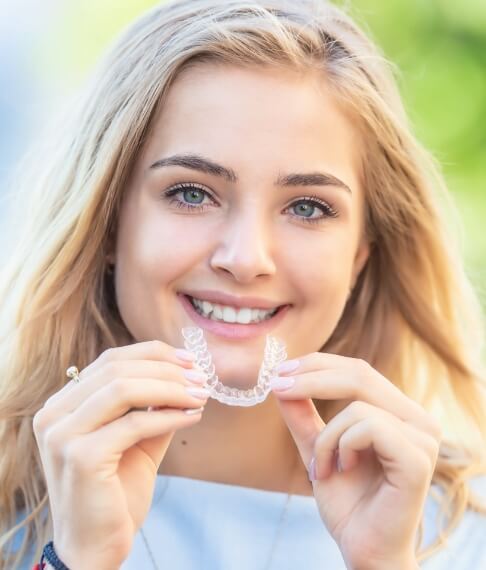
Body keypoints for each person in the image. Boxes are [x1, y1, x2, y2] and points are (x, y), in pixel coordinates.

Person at [1, 0, 485, 568]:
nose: (246, 258)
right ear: (106, 225)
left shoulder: (463, 538)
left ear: (360, 256)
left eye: (307, 207)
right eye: (191, 193)